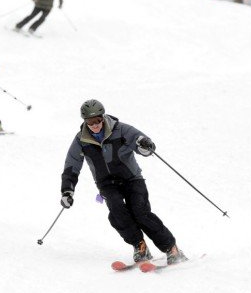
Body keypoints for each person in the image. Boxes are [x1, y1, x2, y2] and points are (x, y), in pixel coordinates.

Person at [59, 99, 187, 265]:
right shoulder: (80, 141)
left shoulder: (120, 129)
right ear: (85, 121)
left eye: (98, 119)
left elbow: (142, 142)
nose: (95, 124)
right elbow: (71, 166)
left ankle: (171, 248)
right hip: (107, 184)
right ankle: (139, 246)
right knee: (117, 211)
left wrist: (145, 145)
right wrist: (67, 191)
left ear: (103, 117)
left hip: (132, 178)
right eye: (90, 121)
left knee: (140, 212)